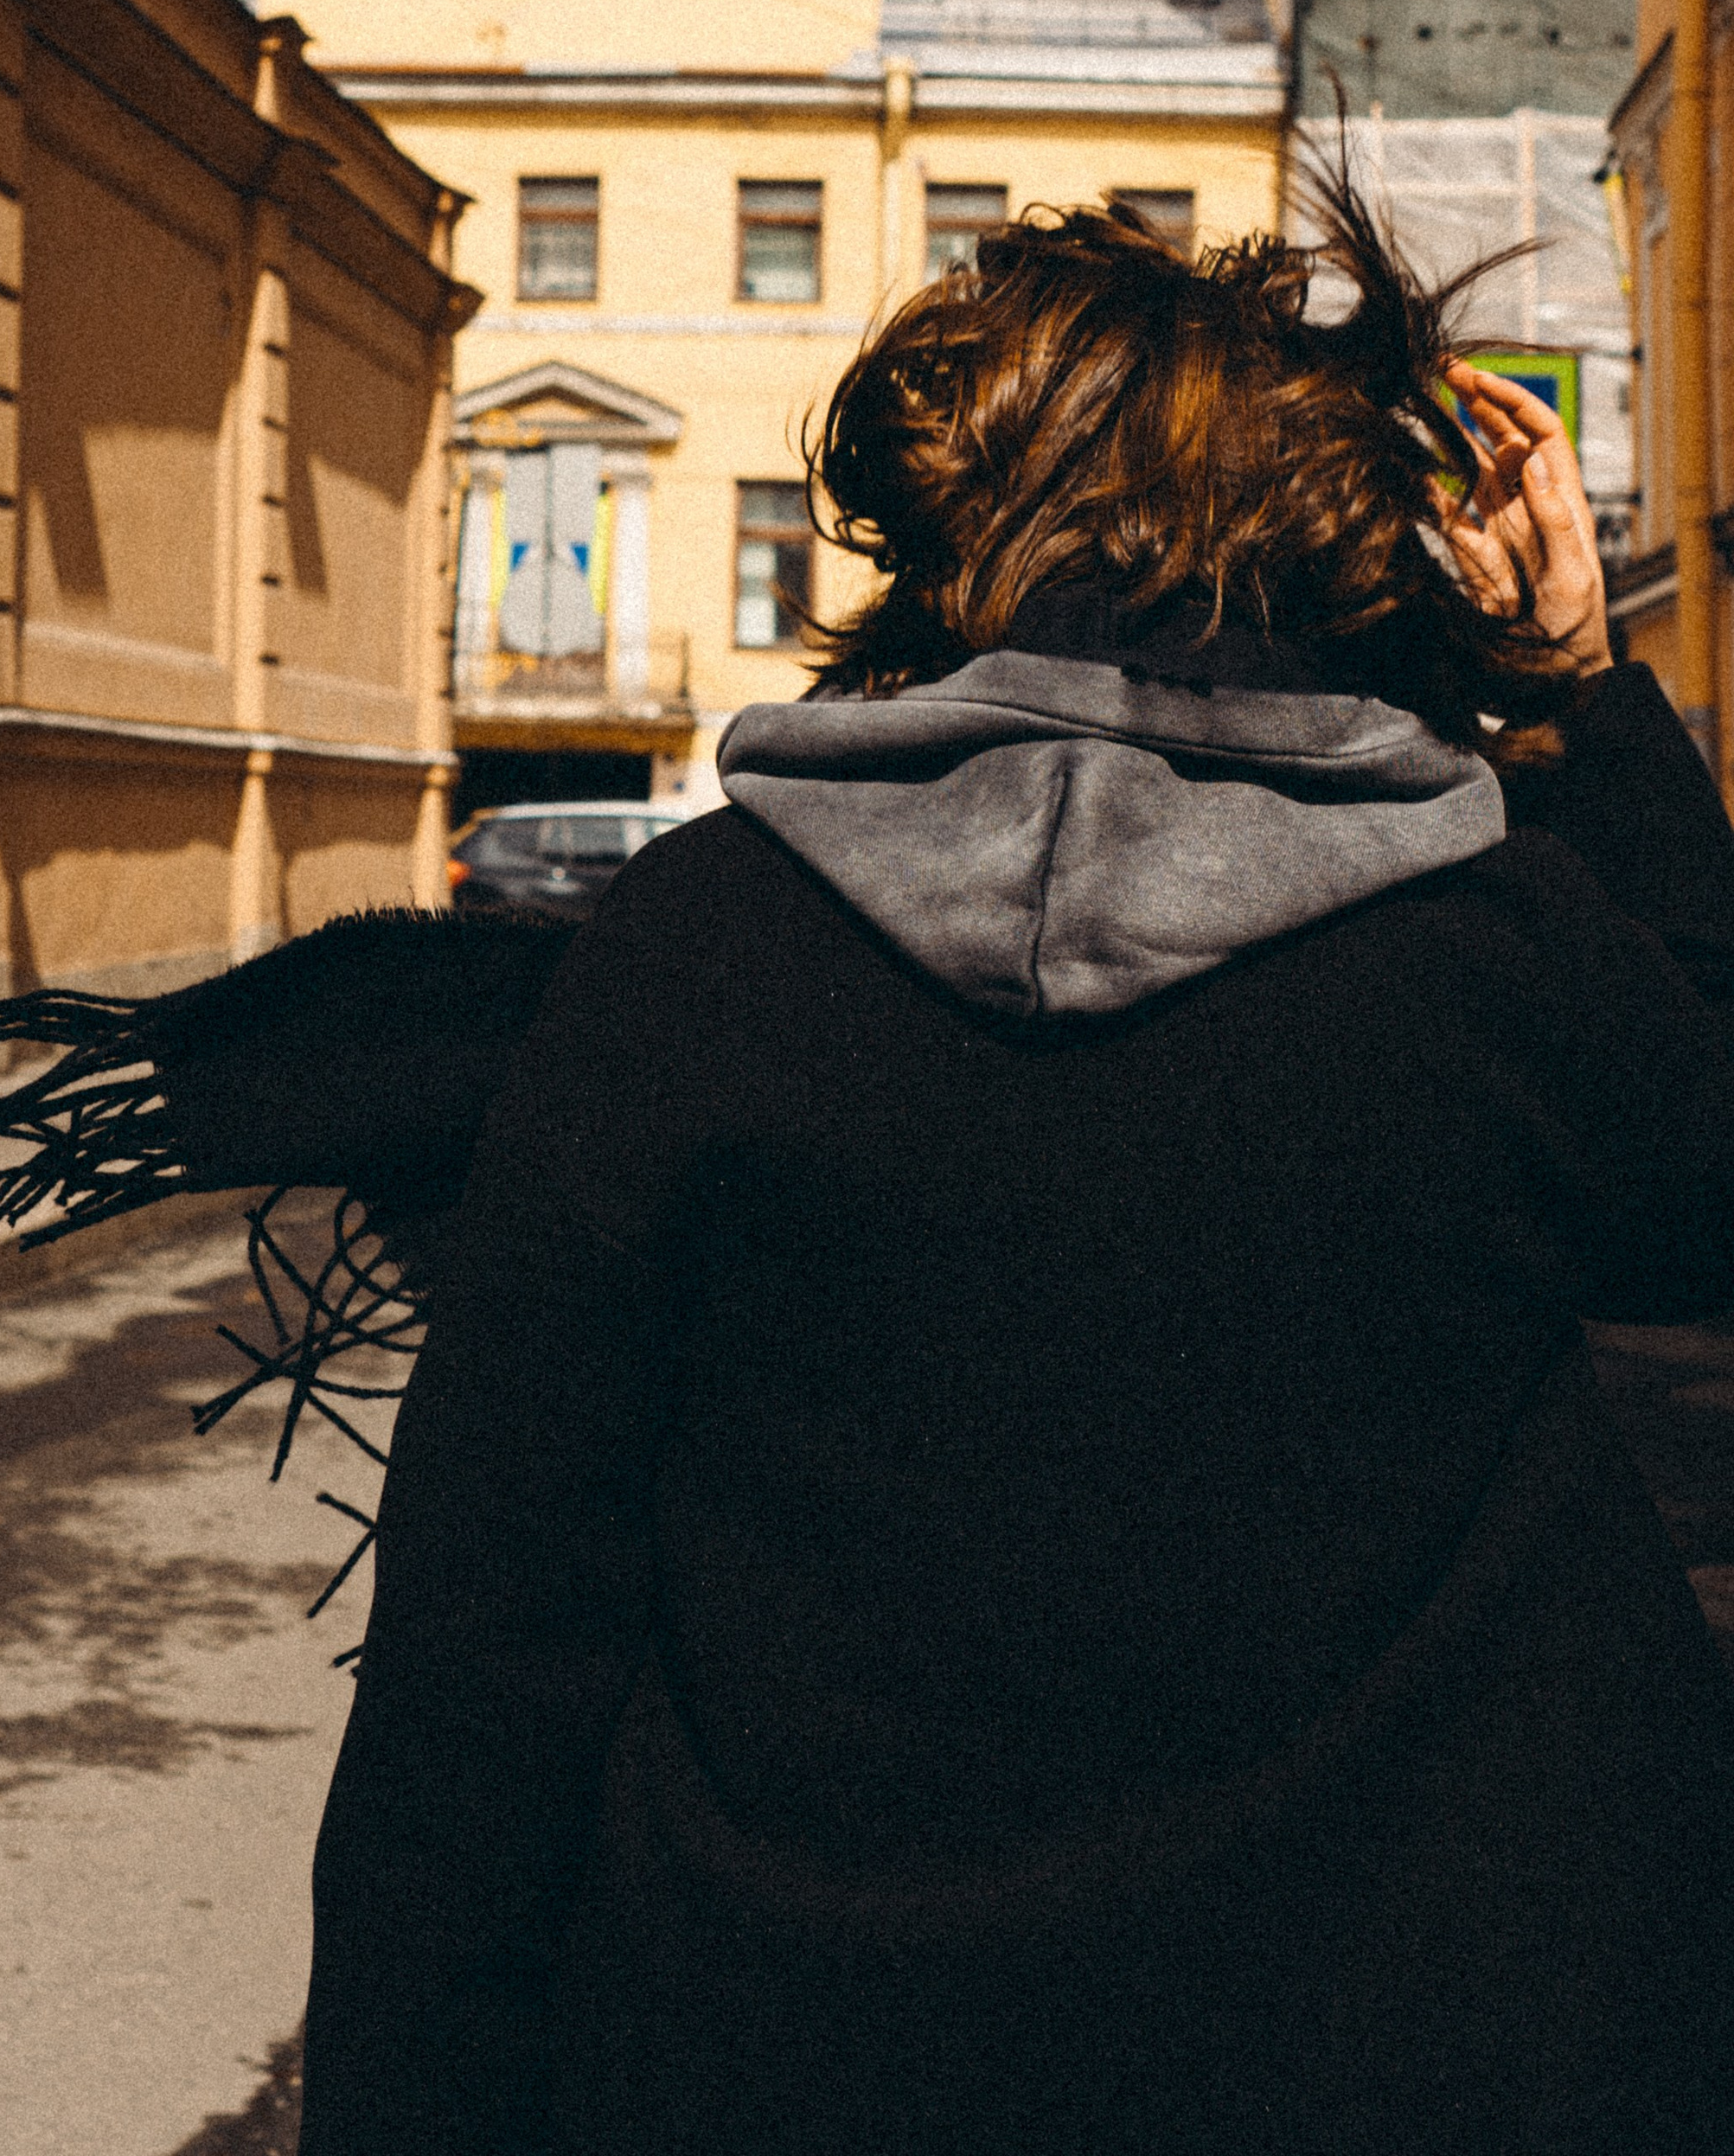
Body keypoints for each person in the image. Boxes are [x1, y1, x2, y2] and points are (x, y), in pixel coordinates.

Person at [289, 182, 1734, 2156]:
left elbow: (492, 1637)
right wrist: (1581, 689)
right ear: (1328, 536)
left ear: (959, 527)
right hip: (1417, 2052)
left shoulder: (704, 941)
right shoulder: (1490, 949)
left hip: (783, 2058)